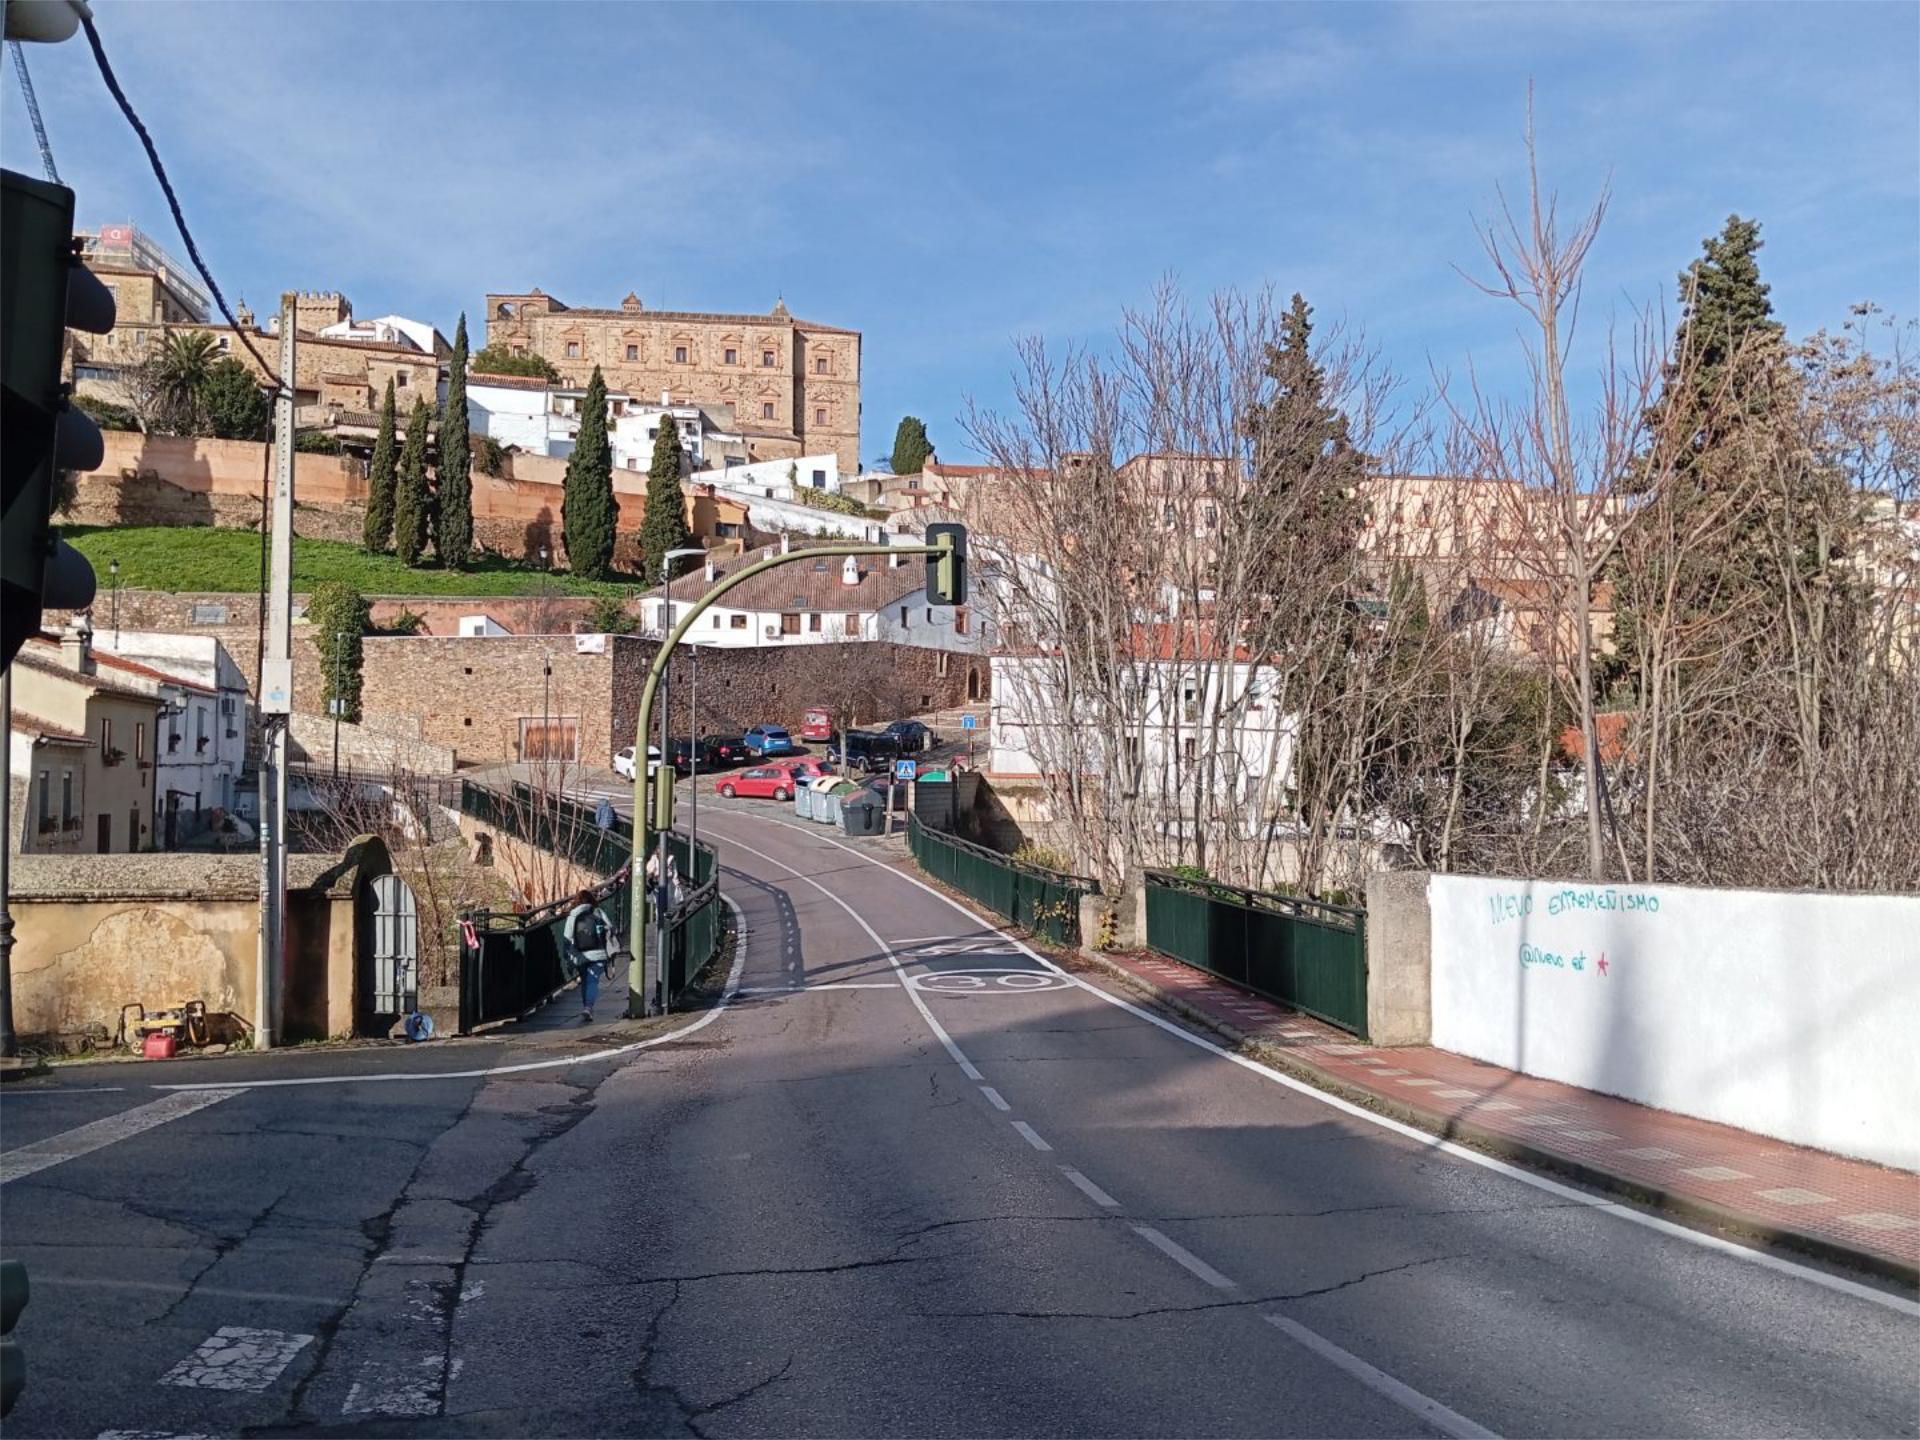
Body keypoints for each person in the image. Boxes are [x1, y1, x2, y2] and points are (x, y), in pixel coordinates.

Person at [563, 888, 614, 1023]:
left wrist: (567, 957)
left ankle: (587, 1007)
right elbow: (610, 927)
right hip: (599, 953)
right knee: (593, 980)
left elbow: (567, 938)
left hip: (580, 954)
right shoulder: (597, 912)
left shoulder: (573, 916)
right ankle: (588, 1007)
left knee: (585, 980)